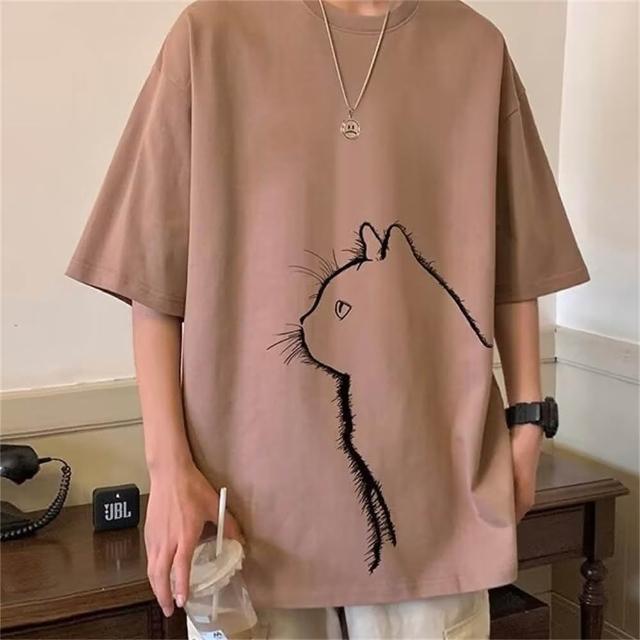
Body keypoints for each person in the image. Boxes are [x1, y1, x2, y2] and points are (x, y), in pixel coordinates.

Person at [64, 0, 591, 638]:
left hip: (434, 506)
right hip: (249, 517)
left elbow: (517, 263)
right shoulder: (211, 37)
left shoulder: (476, 50)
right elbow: (152, 278)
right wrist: (167, 469)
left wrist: (528, 423)